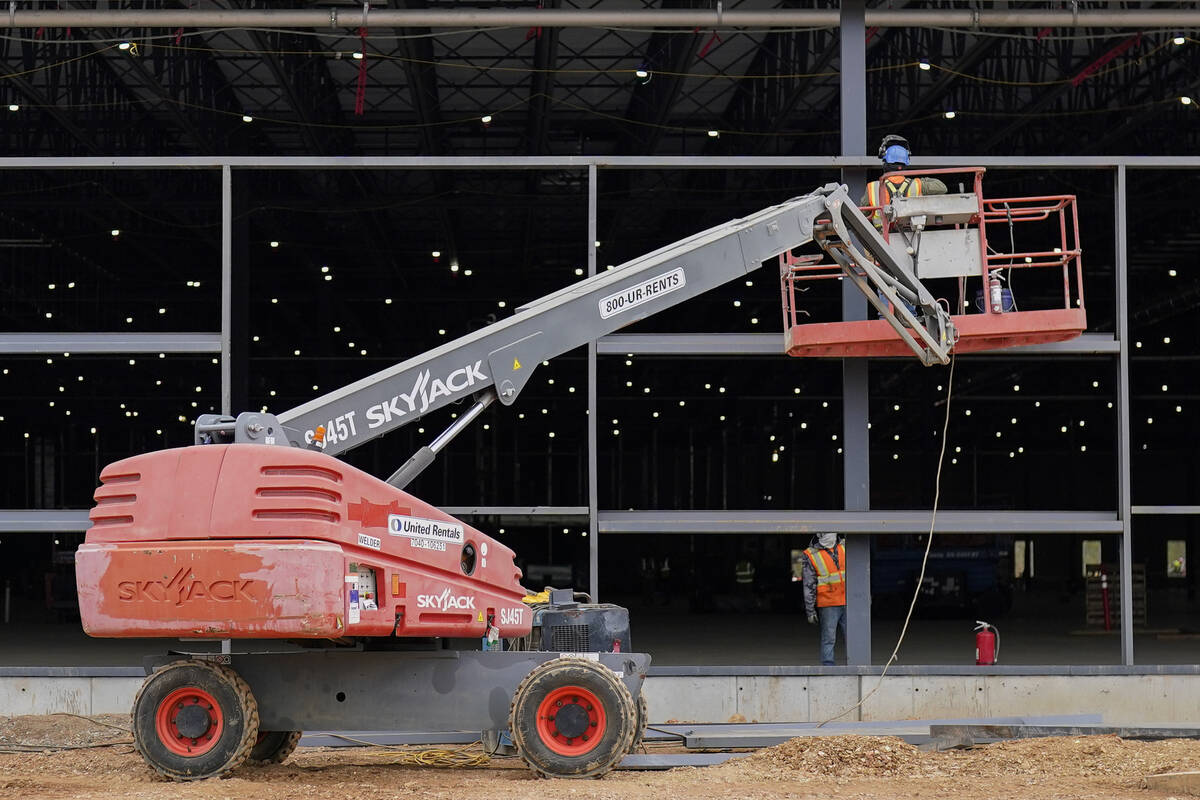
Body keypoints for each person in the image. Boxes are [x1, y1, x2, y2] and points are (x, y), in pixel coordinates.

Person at [862, 134, 947, 225]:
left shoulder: (873, 187)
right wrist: (922, 181)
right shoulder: (917, 185)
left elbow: (862, 215)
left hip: (881, 237)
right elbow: (942, 187)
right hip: (911, 236)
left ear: (885, 164)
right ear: (905, 164)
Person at [802, 532, 846, 666]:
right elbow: (808, 584)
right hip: (828, 603)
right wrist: (810, 610)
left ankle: (855, 665)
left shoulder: (845, 546)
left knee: (853, 638)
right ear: (819, 534)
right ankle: (828, 668)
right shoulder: (811, 554)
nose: (830, 535)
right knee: (829, 639)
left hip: (849, 601)